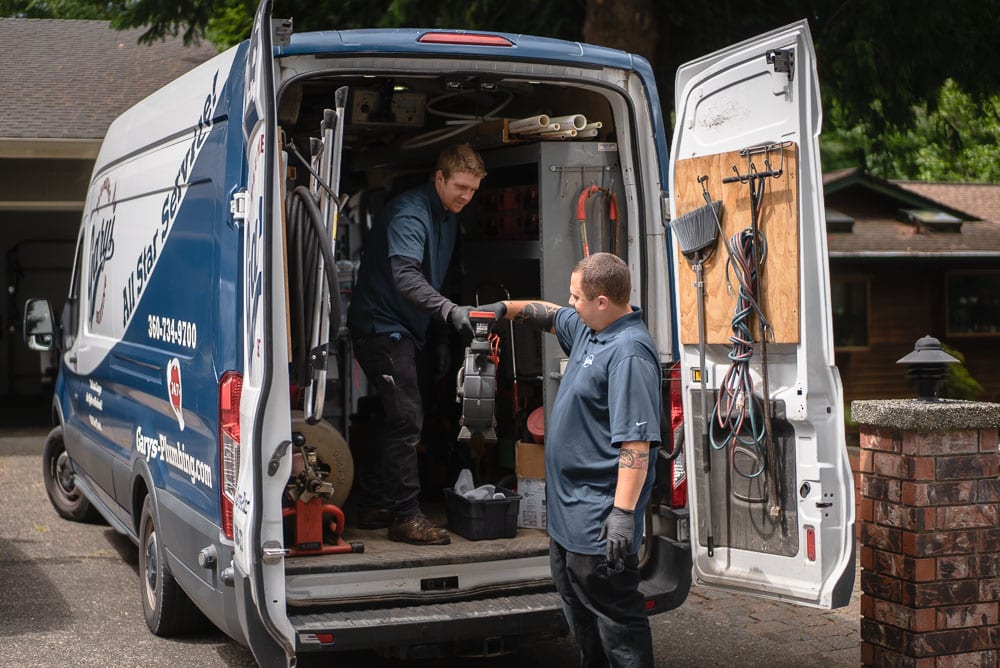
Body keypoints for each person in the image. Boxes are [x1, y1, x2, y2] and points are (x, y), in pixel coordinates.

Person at [484, 252, 660, 667]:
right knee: (580, 620)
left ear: (602, 301)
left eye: (576, 296)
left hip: (598, 520)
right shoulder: (589, 328)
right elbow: (548, 314)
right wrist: (502, 310)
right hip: (567, 521)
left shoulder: (629, 353)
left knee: (618, 626)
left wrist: (622, 513)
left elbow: (637, 446)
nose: (570, 303)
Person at [346, 143, 487, 546]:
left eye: (473, 190)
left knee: (396, 416)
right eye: (460, 186)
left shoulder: (448, 214)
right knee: (407, 418)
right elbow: (406, 277)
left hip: (410, 329)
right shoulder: (412, 213)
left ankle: (375, 502)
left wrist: (440, 333)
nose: (466, 196)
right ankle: (405, 517)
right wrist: (449, 312)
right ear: (439, 178)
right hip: (382, 329)